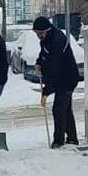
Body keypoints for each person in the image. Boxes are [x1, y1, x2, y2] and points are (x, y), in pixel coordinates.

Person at [32, 16, 80, 148]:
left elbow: (54, 69)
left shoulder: (56, 40)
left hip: (67, 78)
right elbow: (44, 54)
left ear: (48, 30)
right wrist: (39, 62)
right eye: (37, 33)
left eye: (41, 33)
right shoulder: (47, 40)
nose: (39, 36)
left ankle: (58, 141)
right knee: (66, 109)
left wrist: (46, 92)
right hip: (61, 78)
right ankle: (72, 138)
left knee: (58, 109)